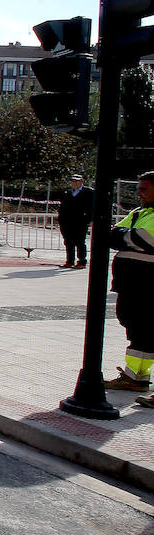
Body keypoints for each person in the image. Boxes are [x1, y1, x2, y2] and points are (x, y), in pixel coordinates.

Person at [105, 171, 154, 404]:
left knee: (148, 329)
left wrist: (126, 237)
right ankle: (136, 377)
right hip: (131, 283)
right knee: (137, 329)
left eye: (144, 188)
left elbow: (148, 241)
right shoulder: (138, 213)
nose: (139, 193)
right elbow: (112, 235)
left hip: (150, 284)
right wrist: (129, 236)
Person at [57, 173, 95, 270]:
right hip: (67, 221)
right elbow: (62, 207)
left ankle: (82, 261)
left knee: (80, 241)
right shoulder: (67, 193)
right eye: (73, 181)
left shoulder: (89, 192)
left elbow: (93, 207)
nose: (74, 183)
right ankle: (70, 261)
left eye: (77, 181)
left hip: (81, 221)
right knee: (68, 241)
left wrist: (89, 219)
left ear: (82, 181)